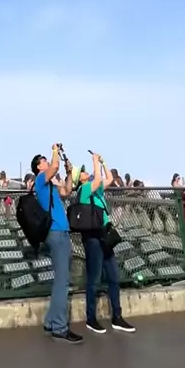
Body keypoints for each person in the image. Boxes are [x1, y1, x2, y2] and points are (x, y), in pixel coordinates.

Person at [77, 152, 135, 334]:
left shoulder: (96, 191)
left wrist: (103, 163)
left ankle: (117, 316)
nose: (86, 172)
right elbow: (97, 180)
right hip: (93, 238)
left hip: (104, 235)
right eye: (82, 172)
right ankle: (91, 318)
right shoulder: (84, 190)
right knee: (94, 280)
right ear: (79, 179)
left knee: (114, 277)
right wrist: (95, 161)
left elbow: (108, 178)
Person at [32, 145, 83, 344]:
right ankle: (60, 327)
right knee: (63, 282)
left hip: (60, 232)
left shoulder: (50, 185)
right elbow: (54, 166)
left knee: (60, 281)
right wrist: (55, 151)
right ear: (38, 167)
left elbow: (67, 191)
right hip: (56, 233)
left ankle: (50, 321)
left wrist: (69, 173)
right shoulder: (40, 179)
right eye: (43, 160)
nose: (47, 161)